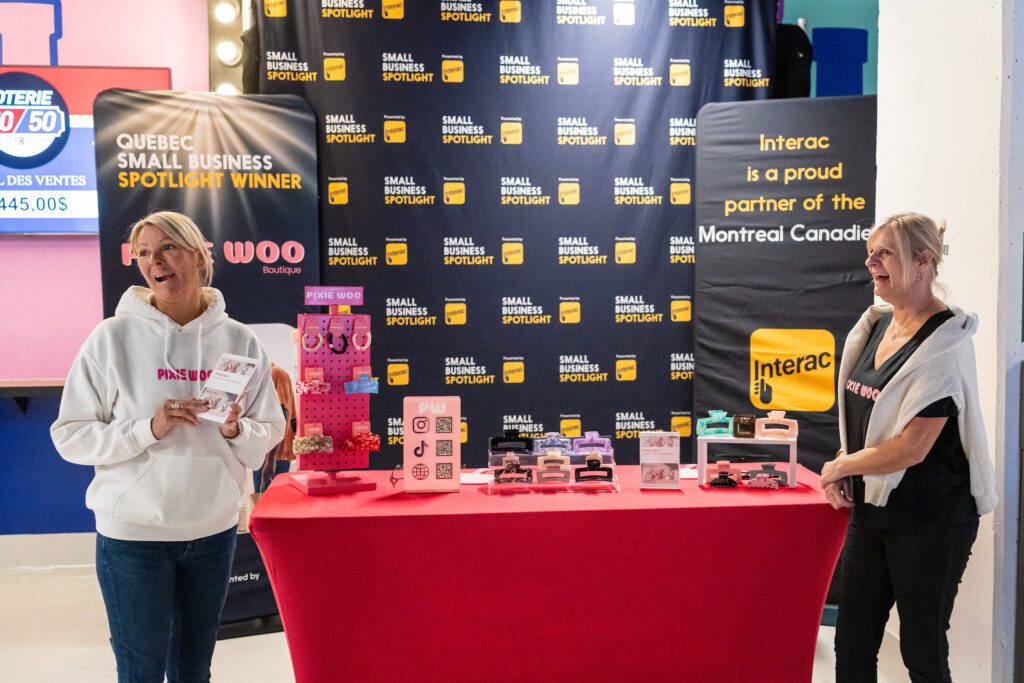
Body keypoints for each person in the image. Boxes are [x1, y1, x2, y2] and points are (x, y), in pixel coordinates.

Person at [51, 211, 285, 682]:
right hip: (133, 538)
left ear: (198, 255)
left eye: (167, 249)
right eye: (143, 253)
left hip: (213, 534)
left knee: (194, 670)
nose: (153, 262)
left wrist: (236, 430)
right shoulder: (111, 339)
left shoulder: (240, 340)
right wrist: (147, 429)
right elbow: (70, 436)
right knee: (141, 671)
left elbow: (270, 432)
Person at [819, 212, 997, 682]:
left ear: (923, 262)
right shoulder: (877, 325)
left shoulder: (944, 343)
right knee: (851, 643)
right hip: (875, 509)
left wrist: (841, 468)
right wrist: (847, 464)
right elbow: (868, 424)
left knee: (921, 650)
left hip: (932, 520)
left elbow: (911, 448)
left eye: (884, 253)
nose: (871, 261)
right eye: (870, 251)